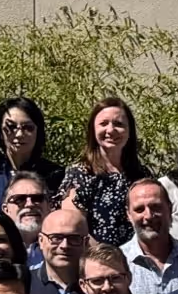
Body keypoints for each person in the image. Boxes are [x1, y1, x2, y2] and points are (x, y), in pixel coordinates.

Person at [57, 97, 148, 248]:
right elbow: (74, 226)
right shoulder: (80, 174)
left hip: (137, 262)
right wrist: (107, 258)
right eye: (103, 124)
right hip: (95, 261)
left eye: (119, 124)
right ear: (93, 130)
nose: (111, 130)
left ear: (129, 131)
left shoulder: (141, 175)